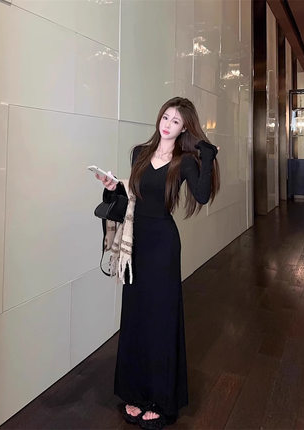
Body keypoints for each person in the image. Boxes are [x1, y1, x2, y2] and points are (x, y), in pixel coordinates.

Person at [95, 97, 220, 429]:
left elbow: (202, 195)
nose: (167, 124)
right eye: (165, 117)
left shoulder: (184, 162)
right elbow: (132, 198)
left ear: (184, 128)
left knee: (161, 319)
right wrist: (113, 187)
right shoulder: (139, 153)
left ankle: (161, 400)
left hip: (163, 245)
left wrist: (207, 156)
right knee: (135, 316)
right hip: (135, 243)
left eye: (176, 121)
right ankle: (135, 392)